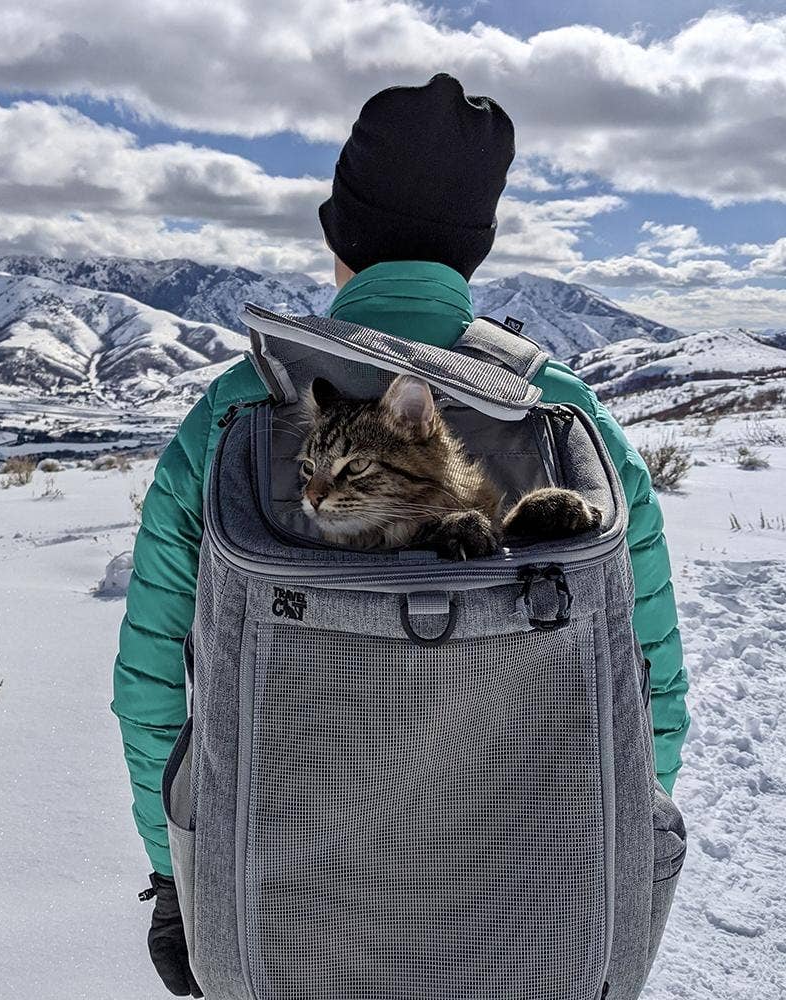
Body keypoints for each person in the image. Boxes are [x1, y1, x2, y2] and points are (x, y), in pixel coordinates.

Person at [111, 73, 690, 997]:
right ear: (476, 246)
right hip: (534, 918)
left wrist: (175, 875)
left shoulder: (231, 412)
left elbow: (152, 684)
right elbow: (648, 680)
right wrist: (617, 857)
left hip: (283, 920)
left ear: (337, 234)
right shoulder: (564, 414)